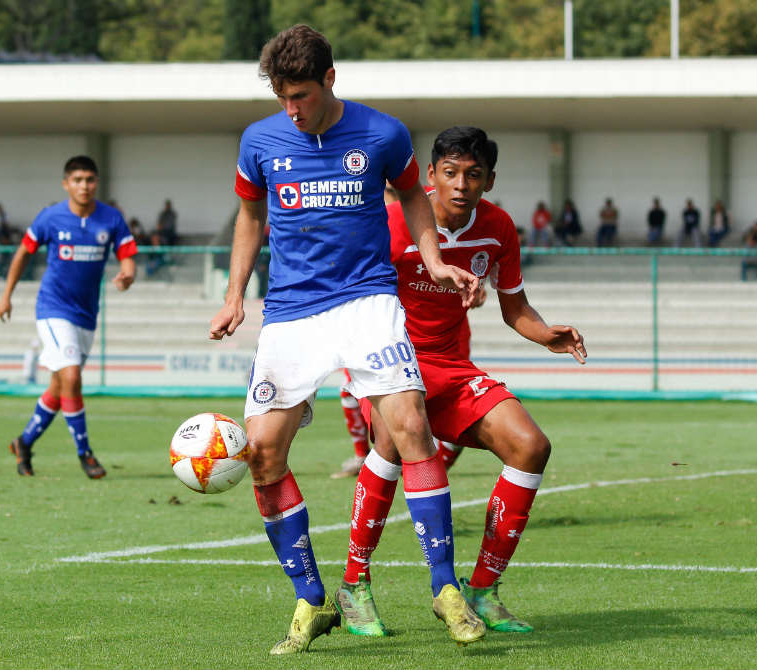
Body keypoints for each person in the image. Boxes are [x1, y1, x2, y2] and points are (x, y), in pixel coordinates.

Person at [209, 25, 481, 655]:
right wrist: (234, 295)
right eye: (283, 98)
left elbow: (414, 194)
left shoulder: (382, 133)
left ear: (330, 80)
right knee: (264, 453)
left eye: (301, 95)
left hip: (367, 301)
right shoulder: (259, 141)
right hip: (291, 312)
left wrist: (435, 262)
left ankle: (444, 588)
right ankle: (312, 598)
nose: (292, 110)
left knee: (411, 428)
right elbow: (251, 217)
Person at [333, 126, 585, 639]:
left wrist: (545, 335)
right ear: (430, 175)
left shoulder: (498, 228)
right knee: (393, 438)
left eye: (473, 174)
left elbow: (516, 308)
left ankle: (483, 590)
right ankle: (355, 583)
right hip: (389, 357)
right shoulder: (390, 220)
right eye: (450, 173)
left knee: (530, 446)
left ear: (489, 179)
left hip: (450, 363)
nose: (461, 184)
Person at [0, 155, 137, 479]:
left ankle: (24, 442)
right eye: (77, 180)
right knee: (72, 377)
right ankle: (85, 454)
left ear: (96, 183)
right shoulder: (50, 218)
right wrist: (6, 295)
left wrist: (127, 276)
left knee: (61, 388)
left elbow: (128, 257)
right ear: (66, 184)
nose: (84, 186)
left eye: (89, 179)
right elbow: (23, 253)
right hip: (53, 308)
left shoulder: (111, 218)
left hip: (86, 315)